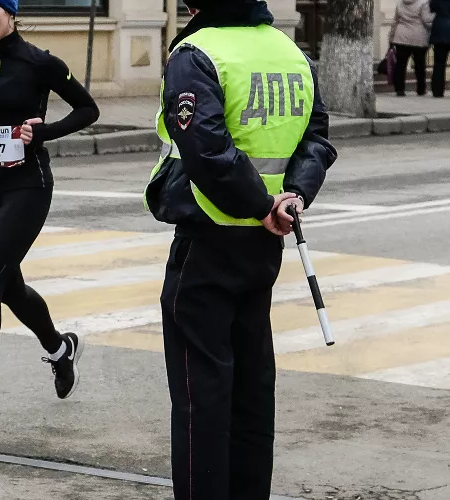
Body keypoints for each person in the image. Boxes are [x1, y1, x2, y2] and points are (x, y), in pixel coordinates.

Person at [143, 0, 337, 498]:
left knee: (200, 399)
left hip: (207, 239)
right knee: (252, 391)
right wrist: (292, 195)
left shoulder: (198, 52)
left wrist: (260, 204)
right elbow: (316, 139)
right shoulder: (291, 53)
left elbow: (206, 148)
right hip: (263, 246)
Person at [0, 0, 99, 431]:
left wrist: (42, 131)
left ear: (10, 12)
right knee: (7, 286)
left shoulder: (40, 63)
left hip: (28, 185)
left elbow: (88, 109)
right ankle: (60, 348)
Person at [388, 0, 435, 96]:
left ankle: (399, 89)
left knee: (401, 64)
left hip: (401, 36)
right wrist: (435, 16)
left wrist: (391, 37)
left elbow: (395, 21)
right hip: (418, 37)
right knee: (420, 64)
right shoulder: (423, 3)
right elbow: (427, 20)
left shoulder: (400, 3)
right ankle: (421, 89)